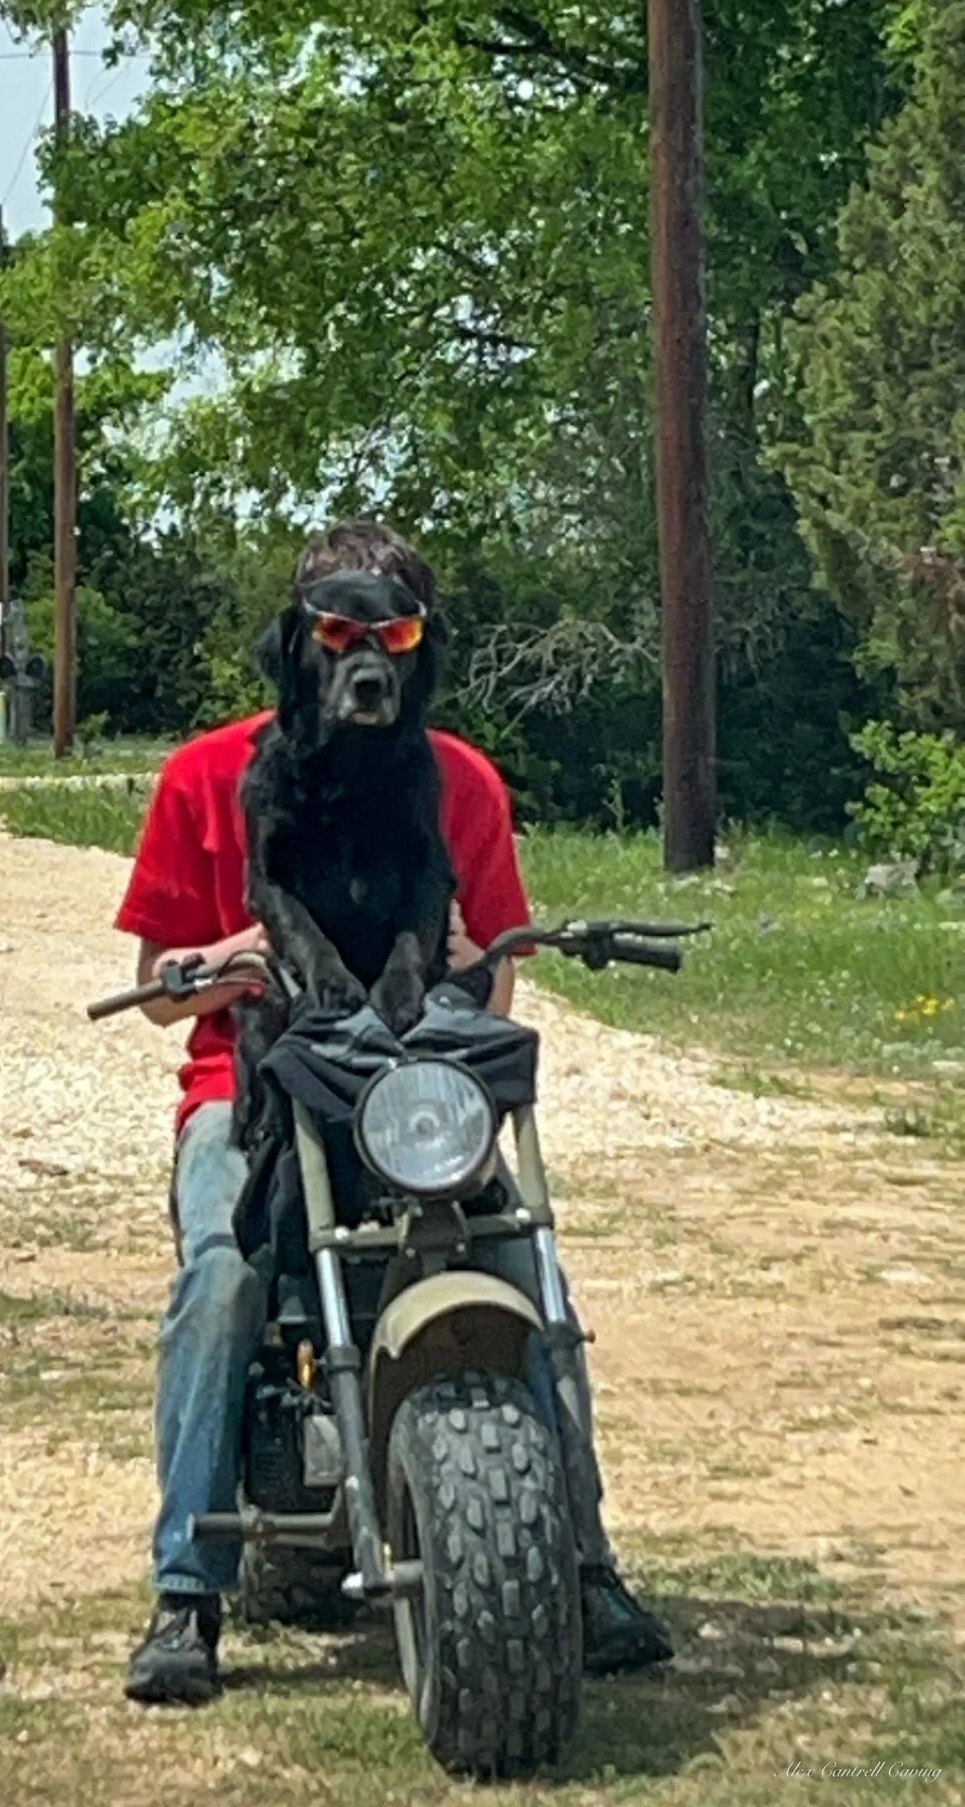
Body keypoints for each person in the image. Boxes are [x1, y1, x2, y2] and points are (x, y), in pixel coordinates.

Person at [117, 520, 672, 1705]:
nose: (365, 653)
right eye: (337, 628)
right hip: (247, 1082)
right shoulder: (208, 774)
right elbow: (164, 986)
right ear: (301, 640)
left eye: (392, 631)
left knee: (529, 1263)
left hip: (415, 1083)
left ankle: (582, 1563)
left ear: (418, 649)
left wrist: (455, 999)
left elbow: (493, 956)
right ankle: (184, 1594)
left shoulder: (456, 777)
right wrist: (230, 959)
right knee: (219, 1279)